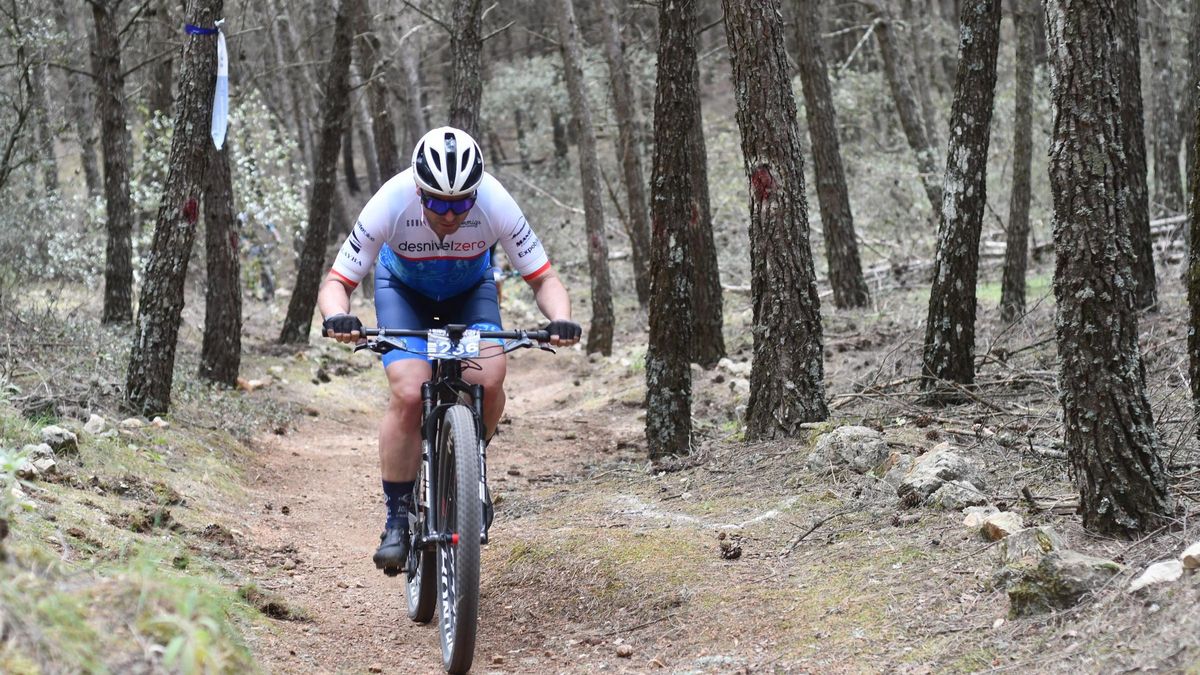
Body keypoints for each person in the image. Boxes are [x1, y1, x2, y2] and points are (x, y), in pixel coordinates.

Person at [317, 126, 582, 574]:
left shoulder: (496, 202)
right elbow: (337, 282)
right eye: (437, 202)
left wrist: (559, 319)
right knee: (408, 390)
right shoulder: (391, 200)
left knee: (489, 378)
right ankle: (397, 517)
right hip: (403, 292)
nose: (449, 213)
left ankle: (470, 468)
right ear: (419, 190)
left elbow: (543, 278)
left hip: (468, 292)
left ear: (475, 193)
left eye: (460, 204)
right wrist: (336, 317)